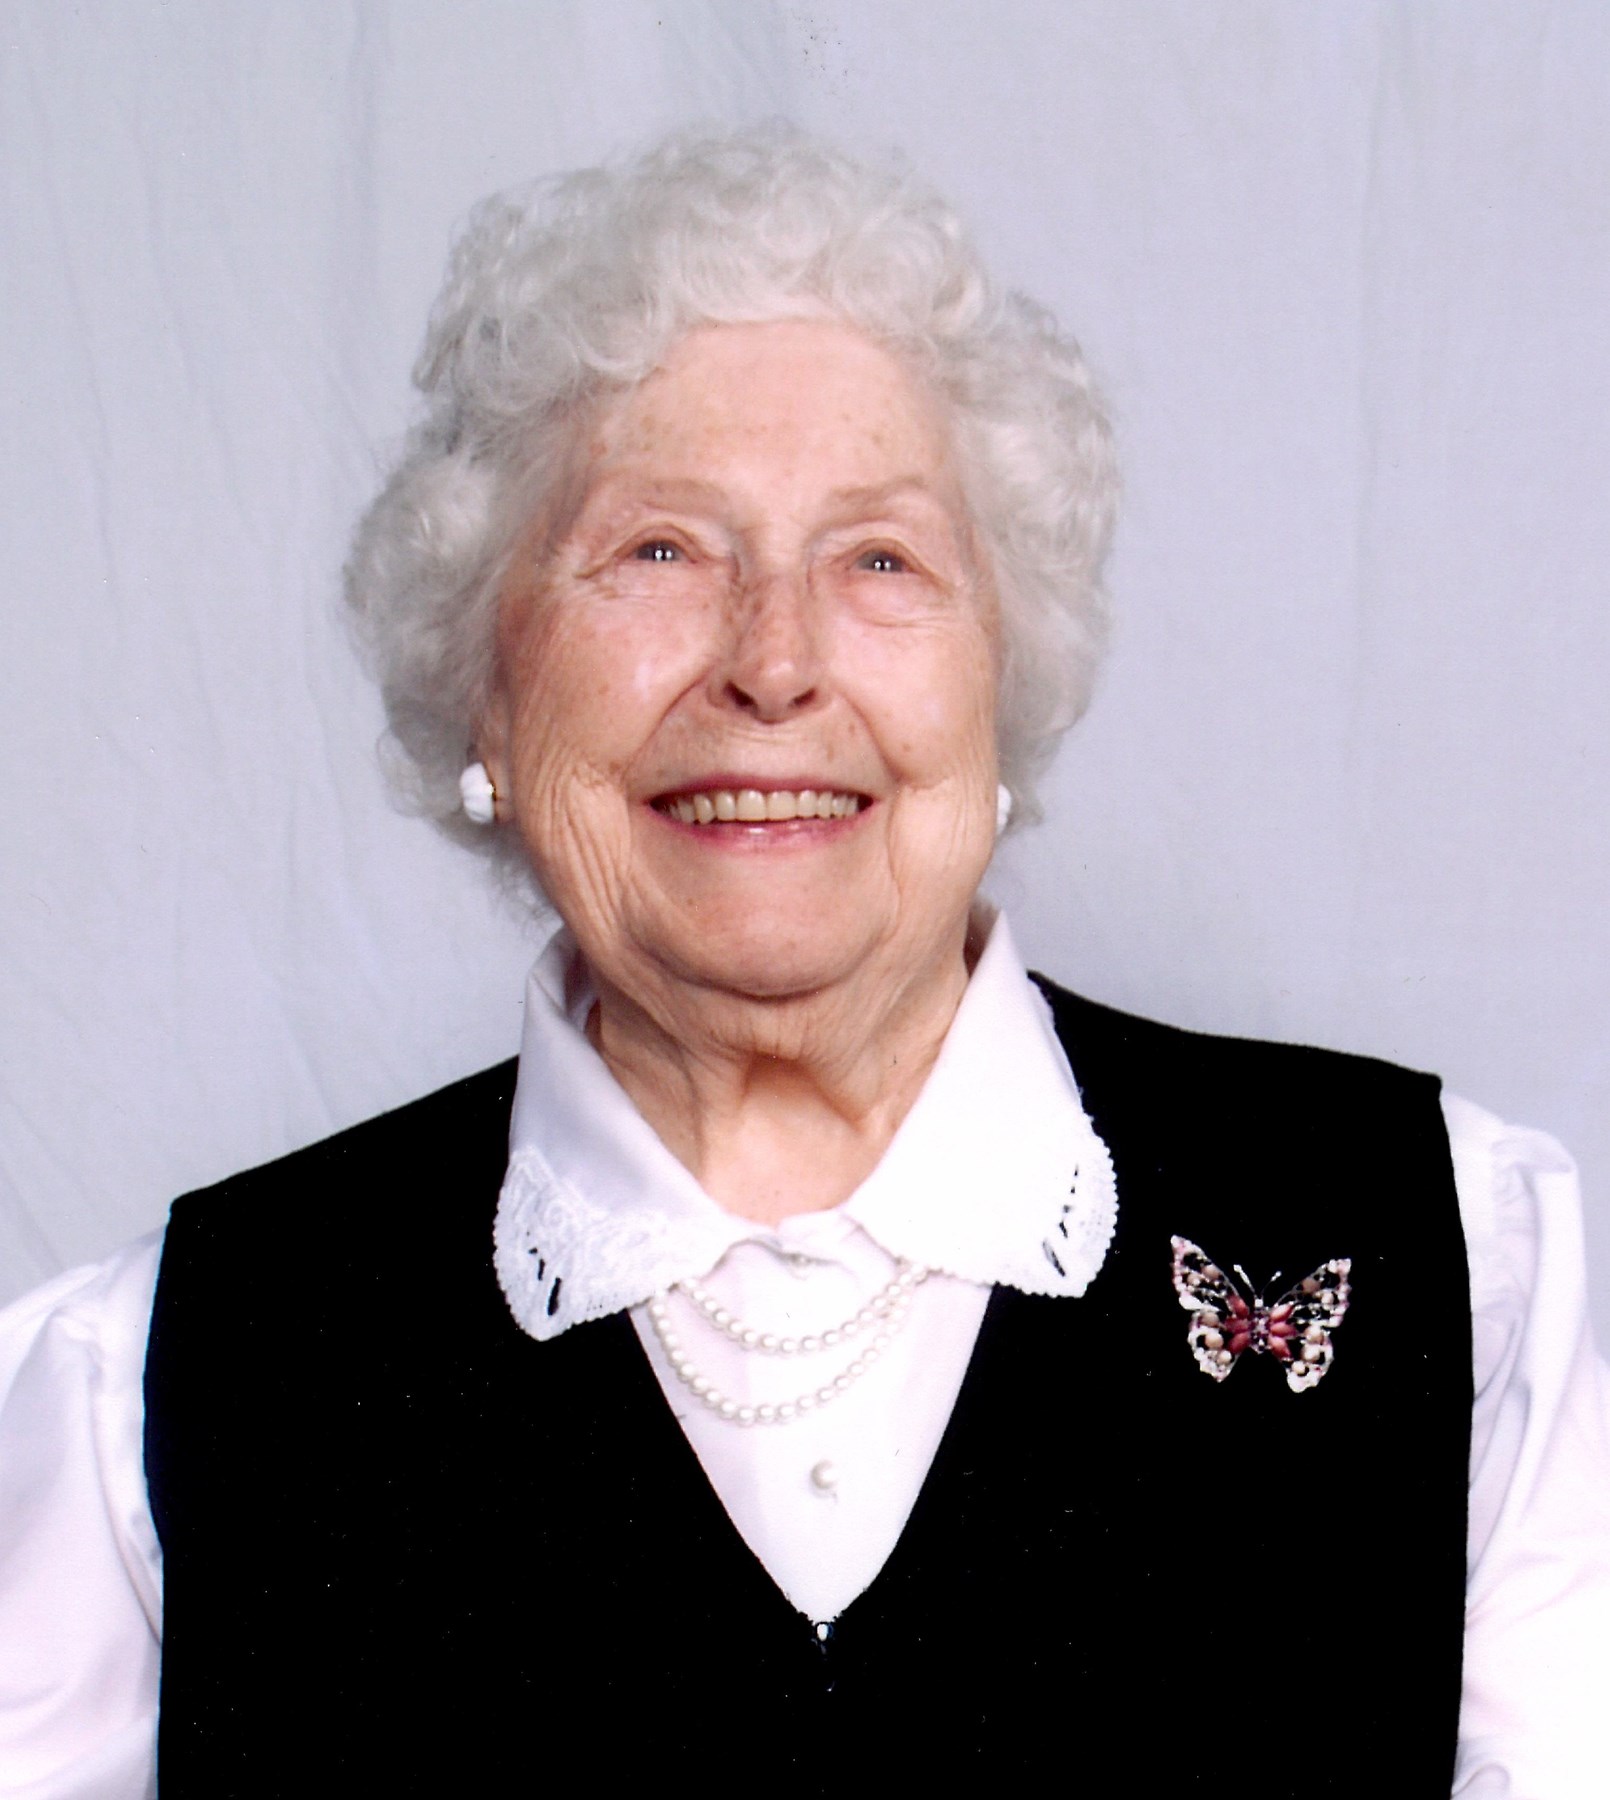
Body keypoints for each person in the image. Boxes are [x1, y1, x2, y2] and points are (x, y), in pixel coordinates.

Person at [1, 126, 1606, 1798]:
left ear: (1001, 680)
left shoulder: (1451, 1257)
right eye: (656, 551)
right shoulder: (165, 1377)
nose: (772, 662)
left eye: (880, 561)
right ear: (488, 688)